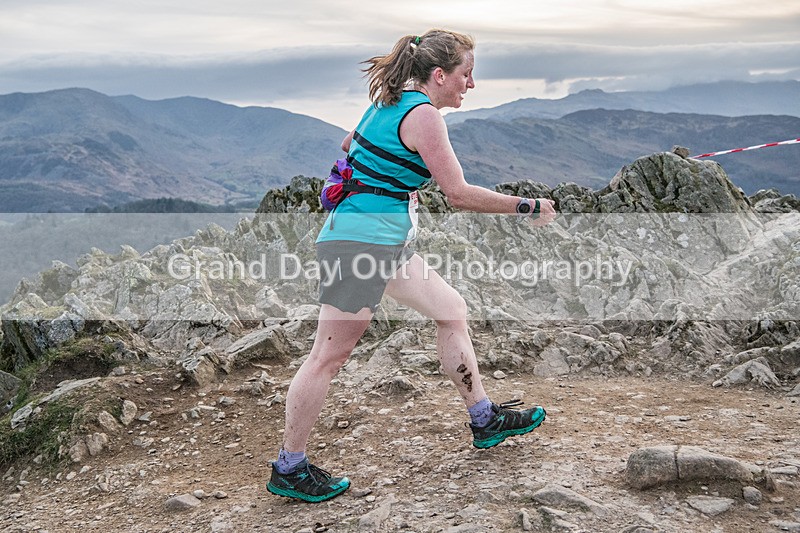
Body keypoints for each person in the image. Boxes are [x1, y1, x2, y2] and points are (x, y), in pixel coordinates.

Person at [266, 28, 557, 503]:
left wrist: (395, 177)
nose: (471, 84)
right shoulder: (423, 116)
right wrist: (527, 207)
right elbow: (459, 195)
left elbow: (349, 145)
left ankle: (484, 418)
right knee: (327, 357)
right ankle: (289, 467)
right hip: (360, 246)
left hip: (383, 244)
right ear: (440, 75)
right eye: (467, 75)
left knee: (451, 309)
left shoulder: (391, 101)